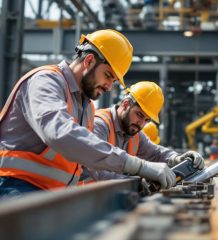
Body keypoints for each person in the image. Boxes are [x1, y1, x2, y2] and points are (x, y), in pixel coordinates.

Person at [0, 29, 174, 198]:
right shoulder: (45, 81)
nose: (108, 86)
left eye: (113, 81)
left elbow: (85, 159)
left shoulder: (86, 107)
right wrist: (138, 167)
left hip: (52, 195)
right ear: (89, 60)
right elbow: (61, 133)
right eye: (108, 75)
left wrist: (175, 159)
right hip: (15, 187)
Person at [83, 81, 205, 187]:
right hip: (81, 200)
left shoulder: (133, 132)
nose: (141, 124)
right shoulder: (100, 124)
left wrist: (177, 158)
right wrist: (139, 181)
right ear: (125, 104)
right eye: (139, 115)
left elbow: (156, 153)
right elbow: (99, 171)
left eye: (147, 120)